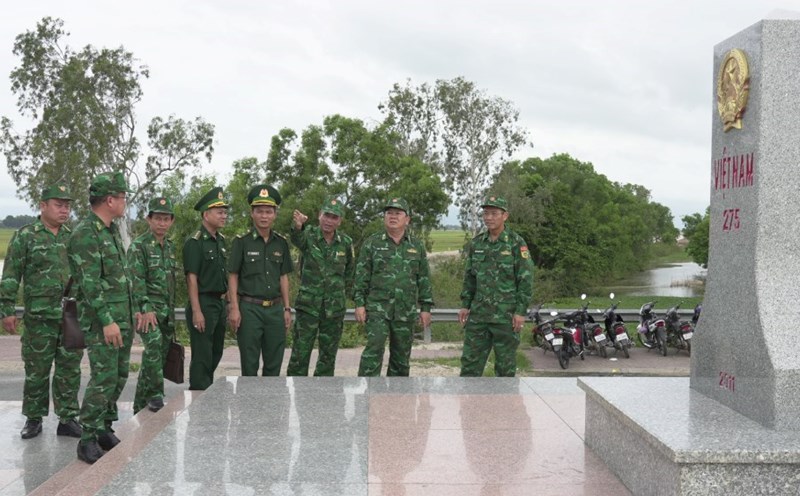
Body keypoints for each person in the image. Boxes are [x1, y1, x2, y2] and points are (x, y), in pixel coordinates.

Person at [69, 172, 145, 463]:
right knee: (104, 377)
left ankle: (103, 427)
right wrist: (107, 320)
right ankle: (86, 439)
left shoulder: (111, 229)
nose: (125, 202)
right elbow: (89, 284)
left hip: (121, 317)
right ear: (110, 199)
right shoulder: (85, 233)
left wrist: (132, 309)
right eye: (123, 197)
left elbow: (121, 277)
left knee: (119, 376)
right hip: (104, 321)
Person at [0, 183, 83, 440]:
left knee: (70, 369)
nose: (64, 210)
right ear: (43, 206)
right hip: (39, 317)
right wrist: (7, 309)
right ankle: (34, 418)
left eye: (67, 205)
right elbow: (11, 274)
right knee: (37, 370)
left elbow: (85, 276)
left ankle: (68, 418)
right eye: (59, 205)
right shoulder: (27, 235)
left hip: (72, 315)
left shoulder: (74, 237)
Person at [354, 197, 433, 376]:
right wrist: (359, 303)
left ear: (407, 219)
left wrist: (426, 308)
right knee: (373, 353)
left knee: (401, 357)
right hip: (377, 310)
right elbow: (361, 276)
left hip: (405, 311)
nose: (393, 216)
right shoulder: (372, 243)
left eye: (398, 213)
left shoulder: (416, 246)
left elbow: (424, 279)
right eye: (389, 213)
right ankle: (367, 396)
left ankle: (397, 399)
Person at [458, 196, 533, 377]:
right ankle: (468, 405)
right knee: (470, 366)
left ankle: (504, 405)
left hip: (505, 317)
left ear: (504, 216)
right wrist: (465, 305)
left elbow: (525, 279)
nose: (489, 218)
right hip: (479, 316)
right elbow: (470, 277)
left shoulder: (516, 243)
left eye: (494, 213)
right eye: (486, 213)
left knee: (505, 368)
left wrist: (520, 311)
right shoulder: (477, 244)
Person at [227, 185, 293, 376]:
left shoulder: (281, 243)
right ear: (252, 213)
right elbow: (233, 275)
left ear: (275, 214)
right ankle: (248, 405)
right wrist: (234, 307)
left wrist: (287, 308)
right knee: (249, 364)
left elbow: (283, 276)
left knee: (274, 363)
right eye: (260, 211)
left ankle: (270, 405)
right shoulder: (242, 242)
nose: (264, 216)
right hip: (249, 309)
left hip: (275, 310)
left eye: (268, 212)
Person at [286, 197, 354, 376]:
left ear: (340, 221)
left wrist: (340, 295)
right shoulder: (308, 235)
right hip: (309, 306)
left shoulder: (345, 243)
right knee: (300, 352)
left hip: (333, 308)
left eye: (334, 217)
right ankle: (295, 391)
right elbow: (295, 237)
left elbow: (349, 273)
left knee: (328, 354)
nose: (329, 220)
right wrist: (298, 225)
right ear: (319, 216)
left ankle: (323, 394)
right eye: (326, 215)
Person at [128, 196, 177, 414]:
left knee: (157, 357)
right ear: (149, 219)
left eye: (166, 219)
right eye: (157, 218)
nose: (162, 223)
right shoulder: (139, 246)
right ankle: (156, 395)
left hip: (167, 313)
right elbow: (136, 280)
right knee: (154, 346)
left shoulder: (170, 247)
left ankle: (139, 405)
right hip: (147, 311)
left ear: (171, 221)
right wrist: (145, 307)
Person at [183, 187, 229, 390]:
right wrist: (197, 311)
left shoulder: (221, 241)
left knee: (216, 351)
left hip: (219, 303)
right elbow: (191, 279)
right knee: (202, 355)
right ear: (206, 214)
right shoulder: (195, 242)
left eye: (225, 212)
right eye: (219, 212)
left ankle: (206, 389)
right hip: (203, 302)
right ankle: (198, 393)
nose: (224, 215)